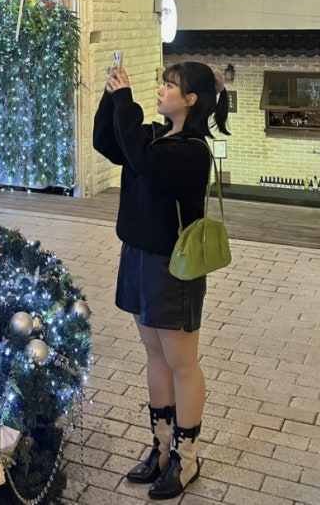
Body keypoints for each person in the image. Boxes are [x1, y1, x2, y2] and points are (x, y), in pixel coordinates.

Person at [92, 61, 230, 500]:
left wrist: (125, 101)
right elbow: (108, 141)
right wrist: (111, 96)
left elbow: (143, 160)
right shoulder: (154, 135)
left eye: (170, 86)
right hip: (137, 256)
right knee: (155, 354)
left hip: (174, 267)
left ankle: (187, 459)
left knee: (182, 362)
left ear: (191, 100)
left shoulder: (192, 151)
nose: (162, 90)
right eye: (164, 83)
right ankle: (162, 448)